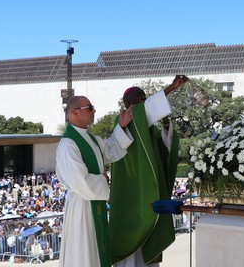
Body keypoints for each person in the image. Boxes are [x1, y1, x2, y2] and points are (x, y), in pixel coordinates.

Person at [109, 75, 188, 267]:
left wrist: (167, 125)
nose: (143, 101)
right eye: (139, 98)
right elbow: (144, 110)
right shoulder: (126, 122)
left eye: (144, 97)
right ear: (128, 103)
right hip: (132, 193)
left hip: (147, 190)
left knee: (149, 246)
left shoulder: (149, 129)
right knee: (131, 245)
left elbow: (166, 151)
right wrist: (170, 88)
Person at [56, 95, 134, 267]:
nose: (94, 111)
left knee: (96, 254)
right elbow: (80, 181)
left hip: (94, 205)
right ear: (75, 113)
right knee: (84, 255)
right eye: (90, 107)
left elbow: (111, 150)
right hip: (82, 208)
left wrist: (121, 126)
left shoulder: (92, 139)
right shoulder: (68, 145)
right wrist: (103, 180)